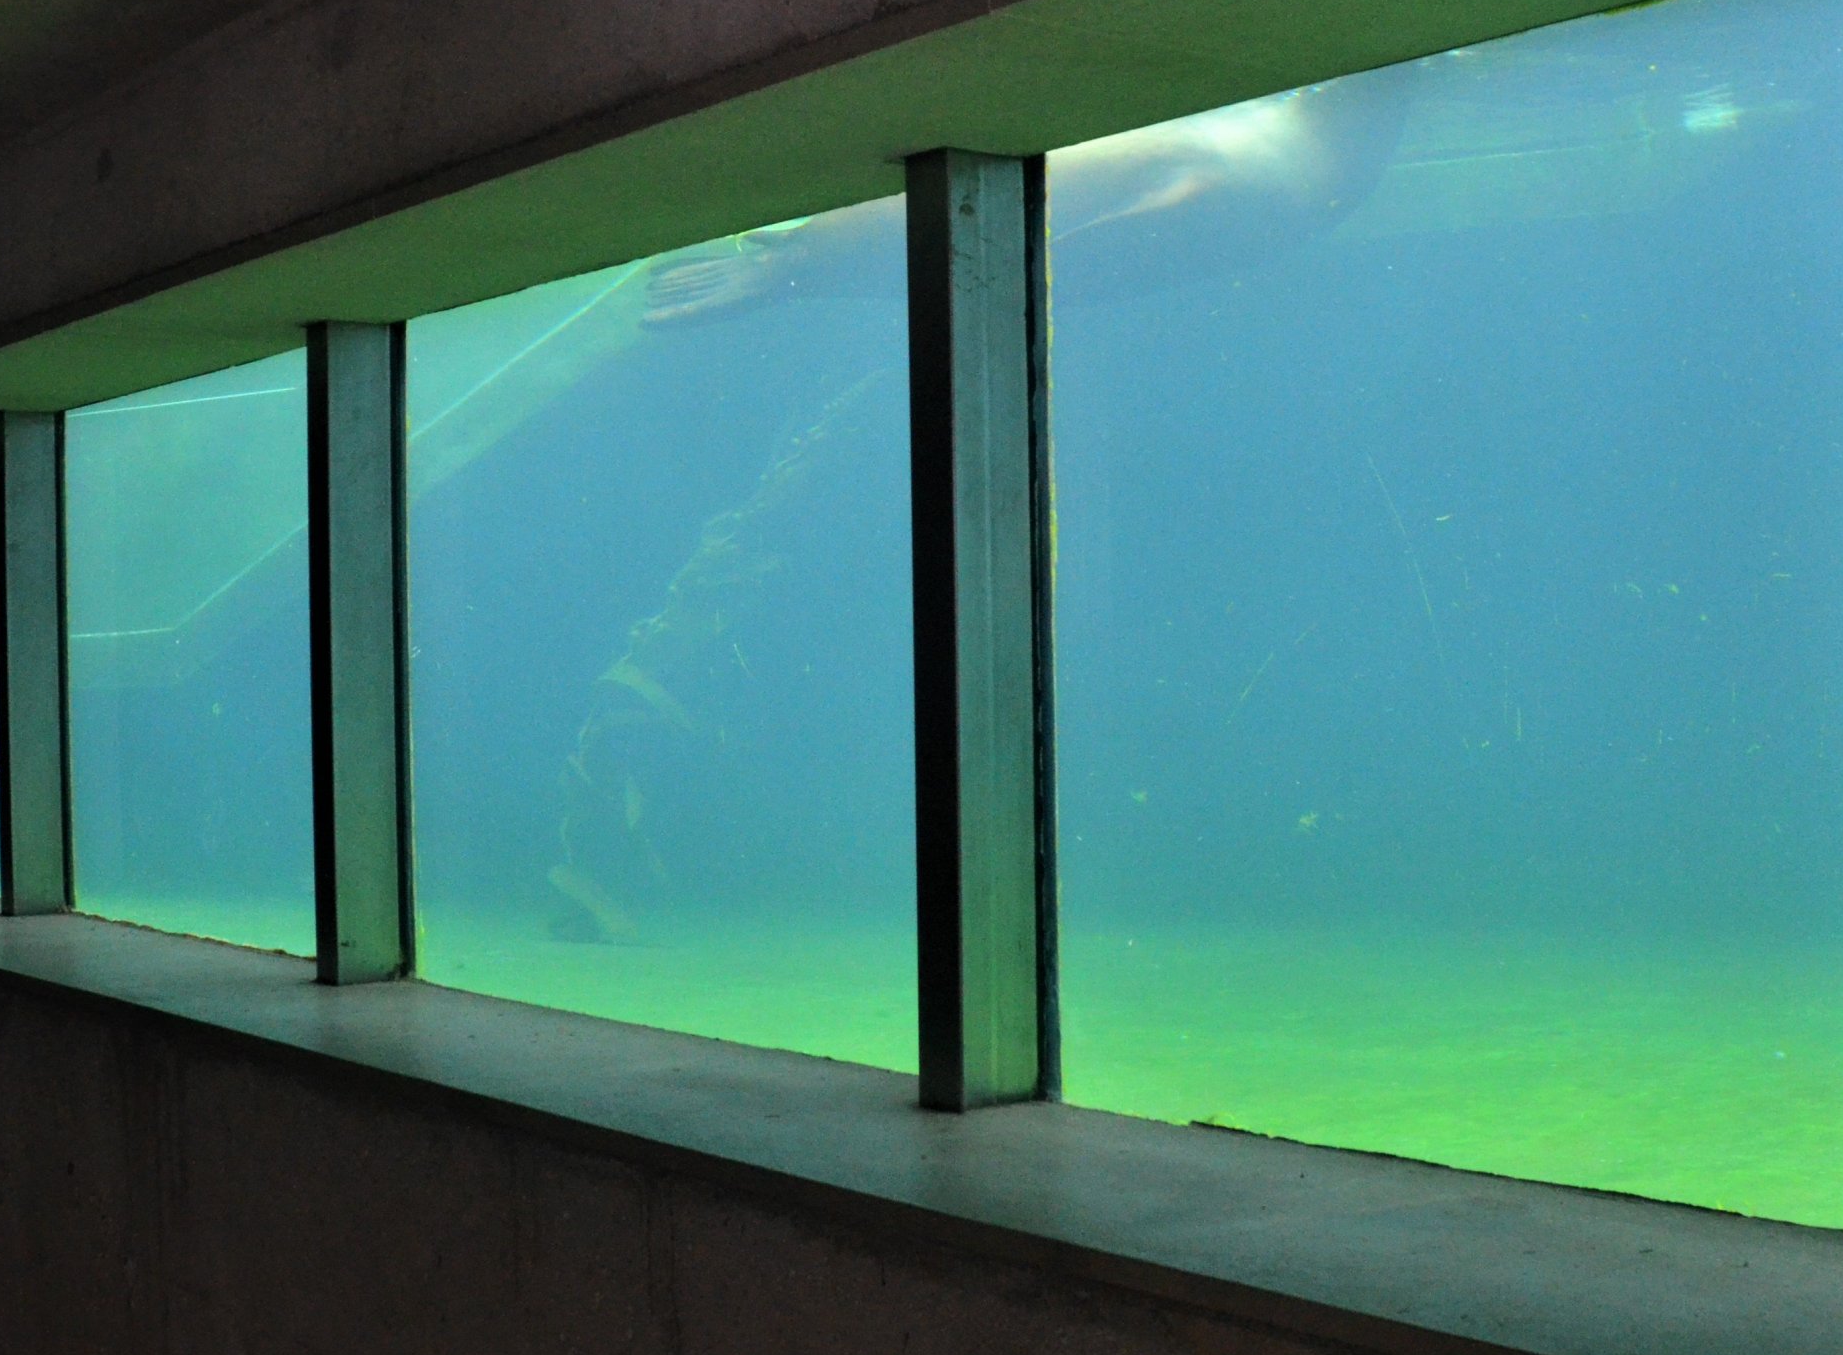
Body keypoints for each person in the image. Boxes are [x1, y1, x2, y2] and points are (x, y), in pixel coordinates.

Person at [541, 64, 1414, 944]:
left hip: (931, 236)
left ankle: (791, 262)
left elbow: (1119, 234)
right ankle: (790, 263)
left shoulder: (1278, 169)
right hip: (1031, 221)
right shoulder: (1299, 176)